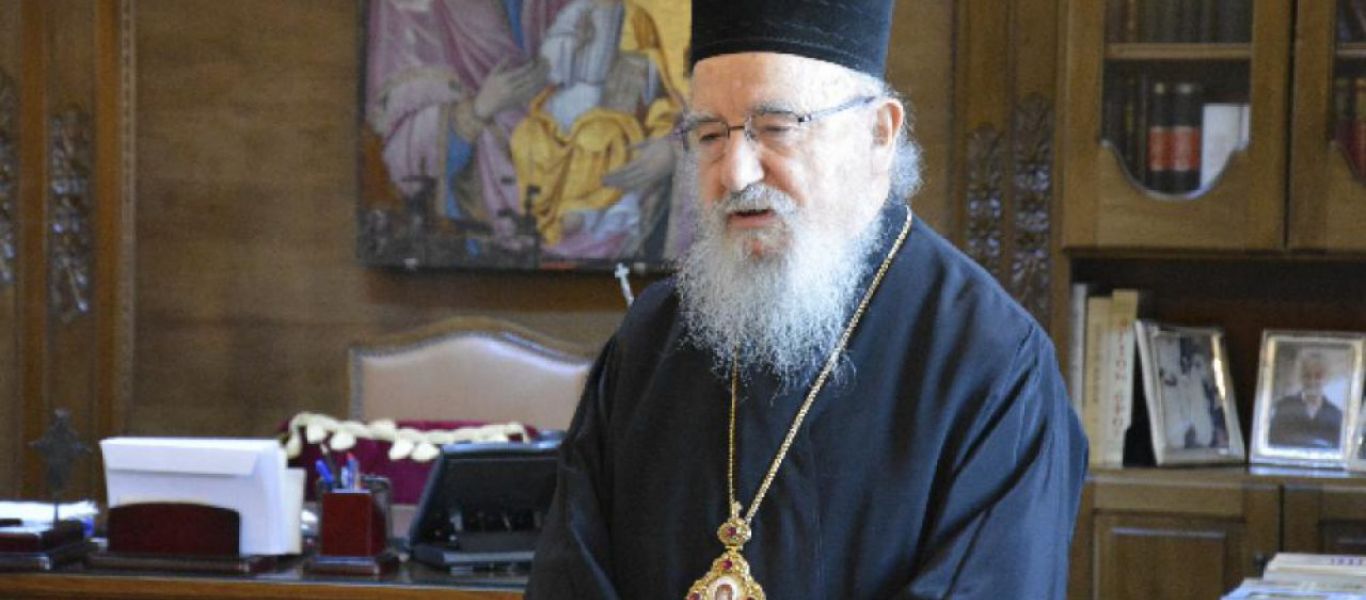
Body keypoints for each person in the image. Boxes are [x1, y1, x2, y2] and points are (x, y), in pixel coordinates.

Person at [525, 0, 1088, 597]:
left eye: (776, 128)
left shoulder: (994, 366)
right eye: (710, 135)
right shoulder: (650, 340)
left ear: (879, 133)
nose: (736, 173)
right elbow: (570, 577)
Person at [510, 0, 685, 258]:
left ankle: (580, 211)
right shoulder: (579, 10)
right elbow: (549, 59)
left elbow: (661, 70)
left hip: (610, 106)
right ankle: (544, 215)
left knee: (599, 141)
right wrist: (574, 43)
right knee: (528, 136)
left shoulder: (637, 15)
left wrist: (641, 67)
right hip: (567, 99)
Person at [1269, 350, 1343, 449]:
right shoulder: (1284, 407)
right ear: (1300, 377)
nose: (1312, 381)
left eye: (1318, 376)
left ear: (1326, 379)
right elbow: (1272, 444)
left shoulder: (1335, 415)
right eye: (1307, 376)